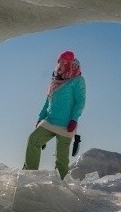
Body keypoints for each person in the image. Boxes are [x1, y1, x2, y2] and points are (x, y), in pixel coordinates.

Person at [23, 50, 86, 180]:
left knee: (61, 158)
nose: (60, 65)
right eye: (59, 62)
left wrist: (74, 119)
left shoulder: (77, 80)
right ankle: (29, 176)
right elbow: (47, 102)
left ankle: (61, 185)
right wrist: (40, 118)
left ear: (71, 63)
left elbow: (80, 101)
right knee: (33, 140)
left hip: (66, 124)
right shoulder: (55, 82)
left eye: (64, 62)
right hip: (49, 121)